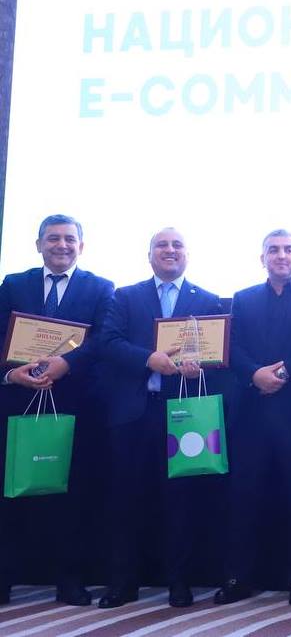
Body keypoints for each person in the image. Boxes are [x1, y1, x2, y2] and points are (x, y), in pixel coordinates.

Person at [96, 228, 226, 609]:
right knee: (125, 501)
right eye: (162, 245)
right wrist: (148, 359)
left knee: (180, 503)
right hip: (134, 413)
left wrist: (199, 368)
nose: (170, 250)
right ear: (149, 254)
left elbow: (219, 357)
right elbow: (108, 343)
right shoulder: (125, 296)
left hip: (184, 415)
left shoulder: (207, 301)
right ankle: (122, 584)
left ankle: (179, 583)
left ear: (187, 253)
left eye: (177, 245)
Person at [213, 230, 291, 606]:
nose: (281, 255)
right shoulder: (244, 297)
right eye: (273, 250)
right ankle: (238, 577)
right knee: (244, 498)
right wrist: (255, 375)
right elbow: (231, 345)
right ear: (262, 258)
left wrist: (282, 373)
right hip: (252, 412)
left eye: (288, 250)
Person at [0, 214, 114, 607]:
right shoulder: (13, 285)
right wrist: (10, 375)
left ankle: (70, 581)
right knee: (10, 496)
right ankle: (3, 579)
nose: (61, 245)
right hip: (18, 404)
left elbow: (103, 340)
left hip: (76, 406)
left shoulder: (101, 288)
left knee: (72, 497)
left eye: (69, 239)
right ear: (39, 245)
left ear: (81, 246)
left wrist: (68, 364)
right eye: (52, 238)